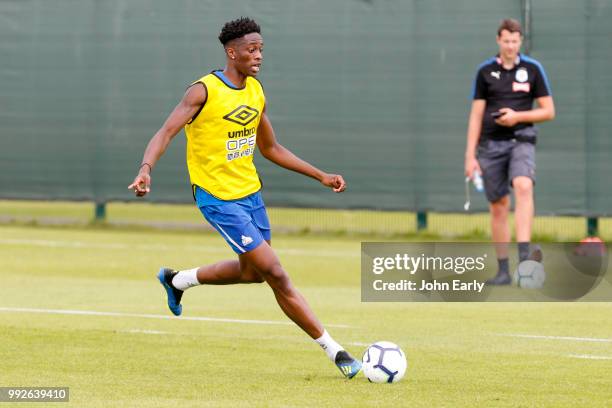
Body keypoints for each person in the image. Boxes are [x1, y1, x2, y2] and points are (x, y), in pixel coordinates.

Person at [128, 17, 361, 379]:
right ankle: (336, 351)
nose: (258, 56)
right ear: (231, 52)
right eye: (251, 50)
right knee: (277, 274)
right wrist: (146, 168)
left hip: (250, 194)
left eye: (261, 49)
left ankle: (177, 280)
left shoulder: (256, 91)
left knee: (253, 273)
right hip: (217, 198)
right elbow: (166, 132)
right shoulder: (202, 91)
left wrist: (321, 175)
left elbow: (270, 148)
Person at [464, 18, 555, 285]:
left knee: (524, 186)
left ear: (520, 42)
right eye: (506, 41)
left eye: (515, 41)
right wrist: (470, 156)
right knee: (499, 206)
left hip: (521, 140)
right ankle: (503, 271)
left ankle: (525, 262)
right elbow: (475, 116)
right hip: (491, 146)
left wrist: (517, 117)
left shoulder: (533, 69)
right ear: (498, 40)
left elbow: (548, 111)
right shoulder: (484, 72)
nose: (510, 46)